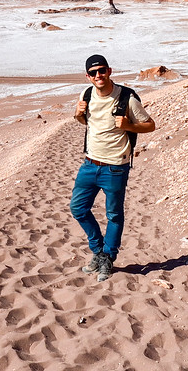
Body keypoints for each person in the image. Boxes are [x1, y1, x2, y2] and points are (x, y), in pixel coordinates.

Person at [70, 54, 155, 281]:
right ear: (87, 76)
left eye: (102, 70)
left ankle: (108, 257)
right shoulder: (86, 95)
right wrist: (78, 114)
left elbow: (150, 125)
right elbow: (86, 122)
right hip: (90, 164)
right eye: (93, 72)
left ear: (110, 71)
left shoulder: (126, 98)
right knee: (78, 208)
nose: (98, 75)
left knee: (114, 215)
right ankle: (99, 252)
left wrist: (128, 124)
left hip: (116, 167)